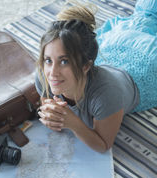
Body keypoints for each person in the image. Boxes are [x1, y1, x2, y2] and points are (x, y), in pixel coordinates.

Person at [35, 0, 157, 153]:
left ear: (86, 66)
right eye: (48, 60)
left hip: (147, 64)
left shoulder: (106, 94)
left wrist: (74, 124)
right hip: (117, 49)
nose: (52, 73)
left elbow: (103, 145)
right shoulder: (43, 76)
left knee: (149, 12)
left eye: (64, 61)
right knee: (145, 14)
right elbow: (47, 106)